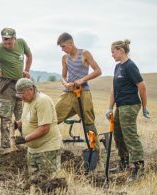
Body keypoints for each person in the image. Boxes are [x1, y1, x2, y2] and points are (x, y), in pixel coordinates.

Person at [0, 27, 32, 150]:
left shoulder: (21, 43)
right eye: (5, 42)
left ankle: (24, 142)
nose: (7, 45)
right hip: (6, 85)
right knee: (6, 116)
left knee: (21, 115)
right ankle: (6, 145)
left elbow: (29, 55)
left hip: (21, 84)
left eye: (9, 42)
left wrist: (27, 70)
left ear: (15, 38)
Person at [106, 39, 149, 182]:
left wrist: (144, 106)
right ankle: (124, 163)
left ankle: (139, 168)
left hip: (130, 105)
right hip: (120, 105)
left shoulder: (130, 66)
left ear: (121, 50)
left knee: (129, 135)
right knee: (118, 134)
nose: (112, 54)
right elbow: (114, 88)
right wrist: (109, 107)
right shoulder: (118, 67)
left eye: (113, 51)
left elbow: (142, 86)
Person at [55, 32, 102, 150]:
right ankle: (49, 146)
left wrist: (81, 80)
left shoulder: (85, 53)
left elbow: (98, 71)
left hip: (84, 93)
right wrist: (66, 84)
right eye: (61, 47)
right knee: (53, 118)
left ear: (70, 43)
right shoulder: (65, 58)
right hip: (68, 93)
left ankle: (95, 151)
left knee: (88, 123)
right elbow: (63, 76)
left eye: (63, 46)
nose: (62, 49)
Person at [14, 78, 62, 177]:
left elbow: (44, 128)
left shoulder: (42, 101)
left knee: (48, 182)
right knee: (34, 181)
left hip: (47, 149)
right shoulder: (27, 101)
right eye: (19, 94)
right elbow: (27, 120)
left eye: (22, 94)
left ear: (31, 90)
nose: (21, 97)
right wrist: (16, 124)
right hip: (32, 150)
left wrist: (24, 139)